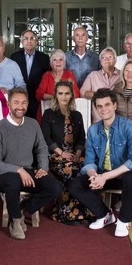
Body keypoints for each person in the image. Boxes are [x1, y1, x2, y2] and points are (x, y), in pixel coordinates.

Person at [0, 88, 62, 240]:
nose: (20, 106)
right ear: (8, 104)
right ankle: (15, 221)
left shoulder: (33, 124)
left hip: (27, 172)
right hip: (3, 175)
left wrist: (43, 167)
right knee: (13, 180)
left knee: (55, 186)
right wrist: (18, 169)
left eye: (24, 102)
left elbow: (42, 148)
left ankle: (22, 210)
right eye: (16, 102)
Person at [68, 88, 132, 238]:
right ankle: (104, 215)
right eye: (99, 106)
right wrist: (94, 176)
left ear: (114, 105)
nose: (104, 109)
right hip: (103, 174)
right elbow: (89, 162)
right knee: (74, 185)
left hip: (123, 175)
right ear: (96, 108)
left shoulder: (128, 126)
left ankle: (123, 221)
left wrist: (105, 177)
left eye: (107, 104)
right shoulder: (93, 130)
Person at [40, 80, 91, 224]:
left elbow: (82, 138)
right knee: (72, 171)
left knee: (85, 169)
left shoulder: (77, 115)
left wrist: (78, 154)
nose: (64, 96)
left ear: (71, 95)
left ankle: (82, 211)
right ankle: (66, 213)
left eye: (67, 93)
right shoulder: (49, 114)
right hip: (55, 156)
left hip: (75, 155)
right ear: (55, 95)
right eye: (60, 93)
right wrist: (62, 153)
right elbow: (46, 138)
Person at [10, 29, 51, 119]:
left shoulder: (44, 58)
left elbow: (47, 78)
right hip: (19, 96)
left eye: (32, 38)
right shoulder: (14, 57)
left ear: (36, 41)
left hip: (36, 98)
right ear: (22, 41)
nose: (29, 41)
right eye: (26, 38)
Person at [35, 49, 80, 121]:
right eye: (54, 60)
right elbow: (39, 94)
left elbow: (76, 93)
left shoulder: (69, 74)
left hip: (66, 111)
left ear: (64, 63)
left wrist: (64, 97)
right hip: (47, 111)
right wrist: (55, 97)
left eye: (60, 59)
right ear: (51, 64)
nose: (58, 62)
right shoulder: (47, 75)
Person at [80, 47, 121, 123]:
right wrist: (99, 94)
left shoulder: (122, 75)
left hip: (118, 120)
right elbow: (83, 93)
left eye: (110, 57)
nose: (106, 59)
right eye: (103, 57)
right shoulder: (93, 75)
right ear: (100, 61)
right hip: (98, 120)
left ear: (115, 60)